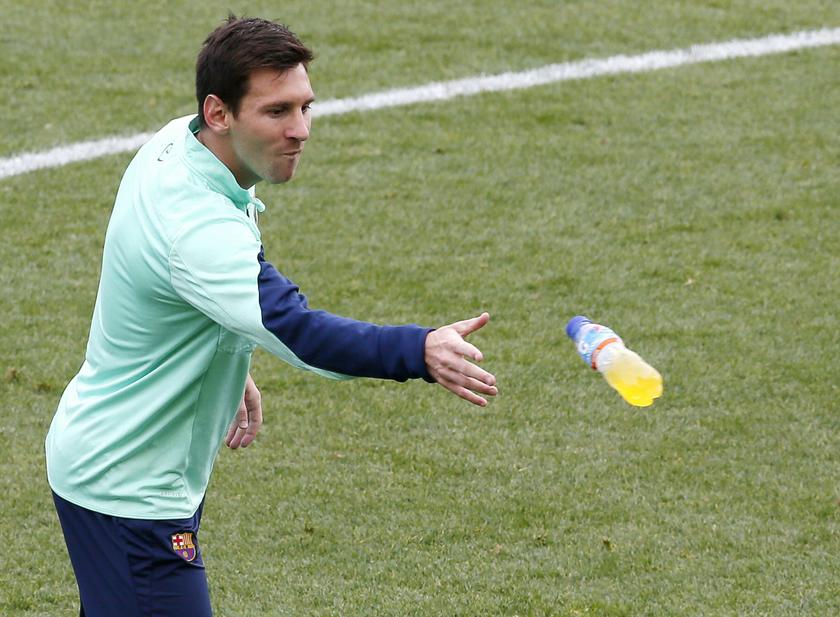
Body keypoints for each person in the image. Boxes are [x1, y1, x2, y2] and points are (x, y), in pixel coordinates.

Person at [45, 14, 497, 617]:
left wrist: (226, 357)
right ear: (219, 113)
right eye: (277, 112)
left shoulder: (177, 145)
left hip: (106, 459)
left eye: (305, 107)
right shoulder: (198, 225)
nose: (301, 130)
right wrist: (419, 350)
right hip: (130, 489)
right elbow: (298, 330)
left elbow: (177, 291)